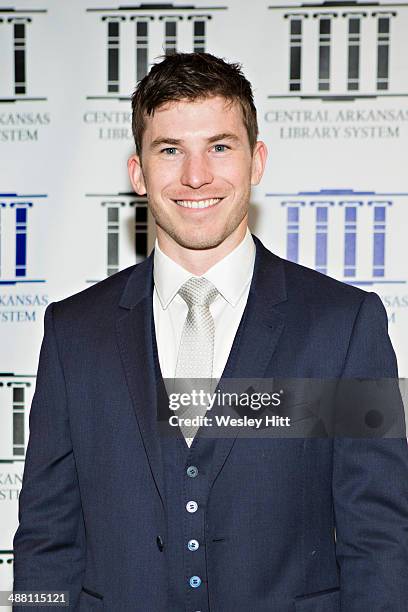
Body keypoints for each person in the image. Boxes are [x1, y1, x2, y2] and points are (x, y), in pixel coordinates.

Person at [13, 53, 408, 611]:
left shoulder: (344, 326)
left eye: (220, 147)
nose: (196, 176)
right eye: (170, 150)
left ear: (257, 160)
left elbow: (380, 539)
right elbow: (46, 543)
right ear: (138, 173)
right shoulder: (74, 333)